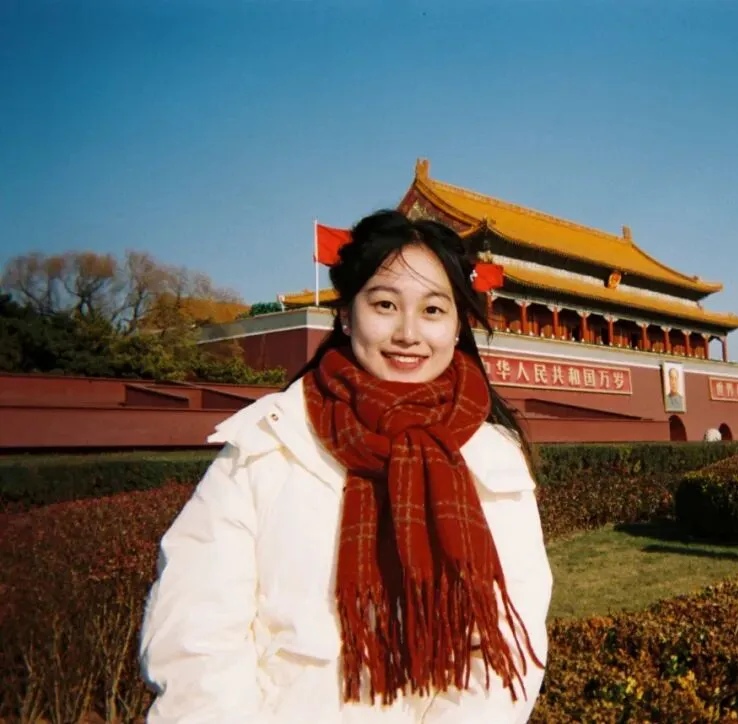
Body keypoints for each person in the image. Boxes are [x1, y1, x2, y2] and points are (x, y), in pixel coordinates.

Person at [139, 210, 552, 723]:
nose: (408, 333)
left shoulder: (493, 457)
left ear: (457, 326)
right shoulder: (269, 444)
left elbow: (504, 650)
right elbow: (195, 637)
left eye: (432, 310)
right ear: (346, 315)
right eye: (384, 304)